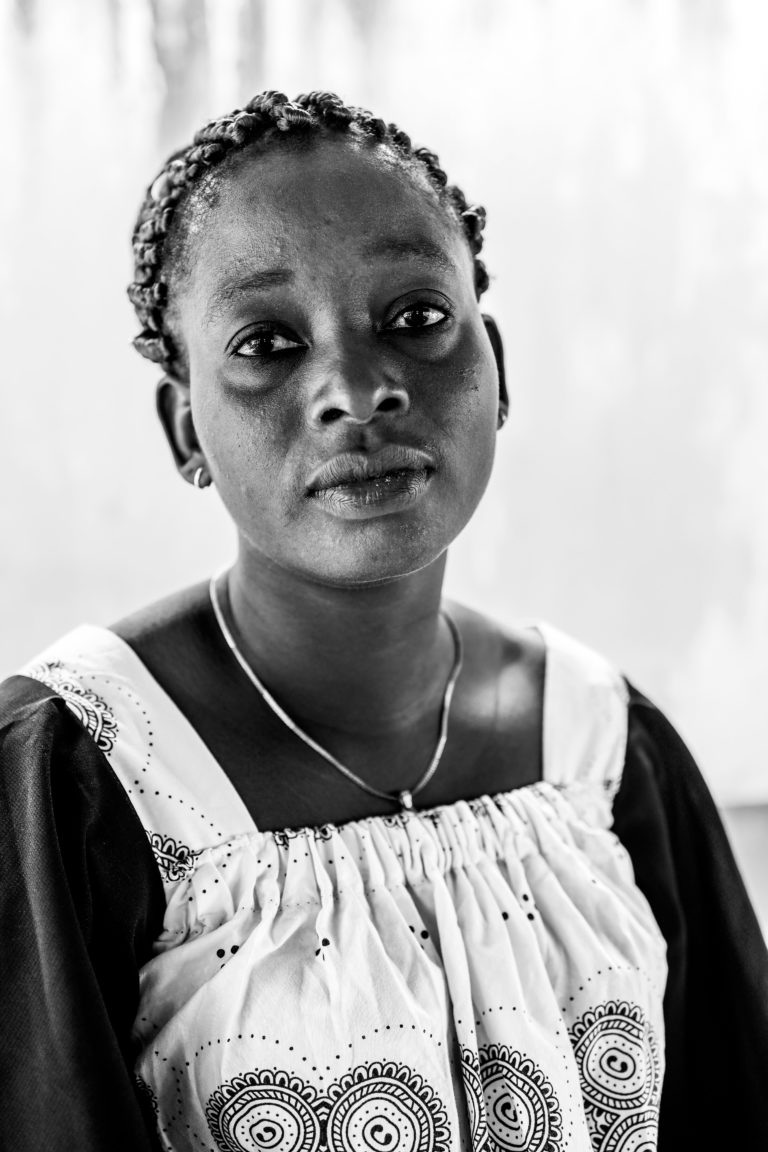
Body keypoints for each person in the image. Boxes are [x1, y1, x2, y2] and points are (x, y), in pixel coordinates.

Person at [1, 90, 766, 1152]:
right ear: (186, 431)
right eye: (268, 342)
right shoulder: (81, 770)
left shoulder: (599, 746)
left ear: (498, 369)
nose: (358, 392)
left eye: (415, 319)